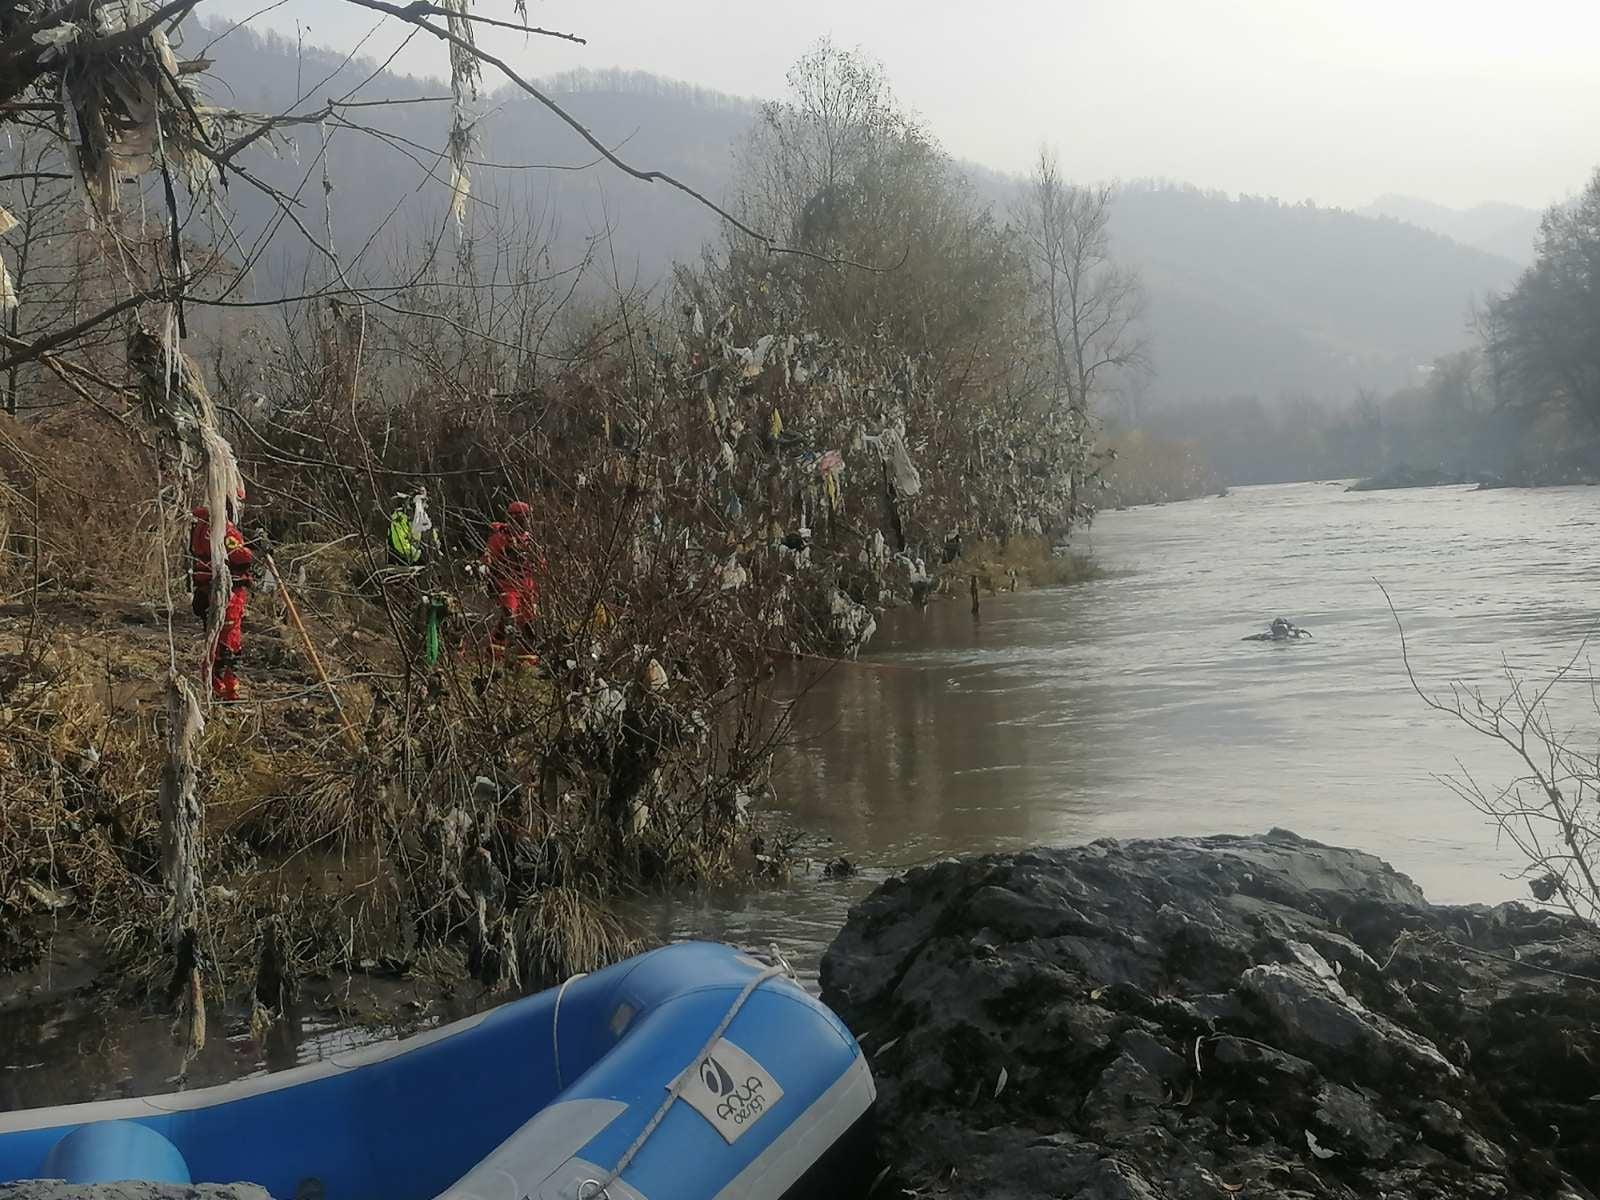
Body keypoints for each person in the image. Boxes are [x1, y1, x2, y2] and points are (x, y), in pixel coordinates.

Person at [191, 490, 254, 701]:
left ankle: (222, 687)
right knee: (226, 642)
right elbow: (238, 555)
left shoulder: (202, 524)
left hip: (210, 589)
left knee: (219, 639)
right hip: (226, 592)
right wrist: (255, 550)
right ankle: (222, 689)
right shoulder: (221, 528)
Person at [483, 500, 543, 666]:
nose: (527, 522)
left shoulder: (530, 540)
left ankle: (527, 659)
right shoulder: (499, 538)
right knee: (509, 617)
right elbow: (488, 558)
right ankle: (494, 653)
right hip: (507, 585)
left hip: (528, 588)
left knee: (530, 622)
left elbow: (541, 564)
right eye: (524, 518)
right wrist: (488, 576)